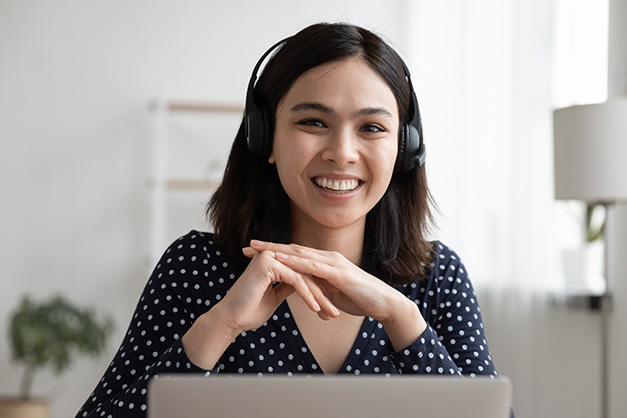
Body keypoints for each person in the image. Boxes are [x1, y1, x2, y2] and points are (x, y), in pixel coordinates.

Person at [76, 22, 506, 418]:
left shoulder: (437, 278)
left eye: (371, 128)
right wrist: (220, 325)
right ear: (265, 138)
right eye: (313, 122)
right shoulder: (194, 268)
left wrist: (402, 320)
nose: (342, 153)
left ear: (404, 149)